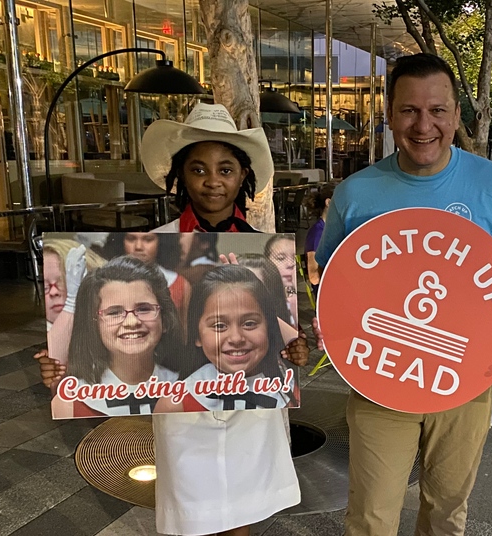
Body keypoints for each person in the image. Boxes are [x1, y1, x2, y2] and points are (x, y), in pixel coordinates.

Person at [37, 103, 309, 536]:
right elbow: (113, 328)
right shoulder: (150, 246)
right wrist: (62, 363)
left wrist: (296, 348)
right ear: (180, 176)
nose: (213, 181)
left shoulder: (266, 249)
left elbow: (283, 331)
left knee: (242, 520)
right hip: (184, 410)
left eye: (225, 169)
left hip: (252, 410)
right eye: (198, 169)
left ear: (243, 176)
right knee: (192, 518)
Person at [313, 53, 492, 535]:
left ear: (458, 114)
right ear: (390, 113)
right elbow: (333, 283)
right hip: (381, 375)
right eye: (409, 111)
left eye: (437, 110)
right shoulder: (357, 194)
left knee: (446, 513)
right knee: (370, 516)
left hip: (469, 377)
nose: (424, 125)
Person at [52, 256, 183, 418]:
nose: (132, 322)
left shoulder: (187, 390)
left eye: (144, 309)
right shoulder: (71, 402)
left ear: (165, 318)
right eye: (114, 312)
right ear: (93, 324)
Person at [159, 264, 299, 412]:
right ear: (197, 335)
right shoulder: (175, 403)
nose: (236, 338)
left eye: (249, 323)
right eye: (219, 326)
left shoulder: (292, 392)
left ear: (269, 327)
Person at [304, 183, 335, 295]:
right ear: (329, 202)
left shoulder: (330, 229)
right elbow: (314, 277)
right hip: (327, 293)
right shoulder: (317, 233)